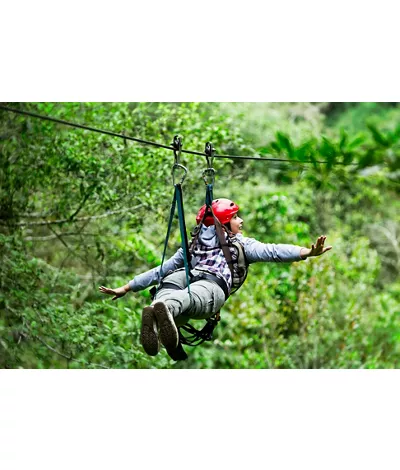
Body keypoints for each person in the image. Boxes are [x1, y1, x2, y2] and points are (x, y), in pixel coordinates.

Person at [99, 198, 332, 360]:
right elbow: (272, 251)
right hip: (212, 286)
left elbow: (160, 270)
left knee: (171, 283)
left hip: (190, 278)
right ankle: (163, 311)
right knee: (187, 294)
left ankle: (158, 312)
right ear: (223, 223)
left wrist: (128, 287)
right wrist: (306, 252)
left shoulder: (192, 245)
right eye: (235, 217)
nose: (240, 221)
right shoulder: (240, 243)